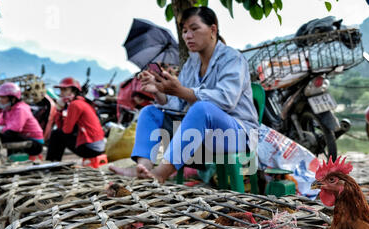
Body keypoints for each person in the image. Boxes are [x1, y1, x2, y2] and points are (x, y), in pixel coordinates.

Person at [110, 6, 259, 183]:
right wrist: (159, 91)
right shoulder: (191, 64)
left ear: (213, 29)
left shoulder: (232, 59)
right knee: (150, 112)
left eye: (194, 29)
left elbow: (226, 100)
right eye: (185, 31)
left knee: (202, 108)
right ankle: (144, 168)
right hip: (199, 136)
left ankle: (160, 174)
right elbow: (177, 105)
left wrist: (182, 91)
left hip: (236, 135)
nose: (188, 36)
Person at [46, 77, 105, 161]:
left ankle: (52, 163)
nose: (61, 93)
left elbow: (66, 130)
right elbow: (63, 128)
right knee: (58, 133)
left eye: (65, 90)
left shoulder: (75, 105)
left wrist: (59, 109)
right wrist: (60, 110)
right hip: (98, 147)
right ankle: (54, 162)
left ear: (73, 90)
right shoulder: (81, 102)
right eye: (61, 90)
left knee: (56, 134)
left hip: (91, 149)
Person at [0, 82, 44, 156]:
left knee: (2, 136)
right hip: (20, 136)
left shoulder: (21, 109)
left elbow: (14, 129)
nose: (0, 100)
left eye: (3, 97)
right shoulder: (7, 109)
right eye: (0, 97)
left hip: (35, 143)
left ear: (13, 99)